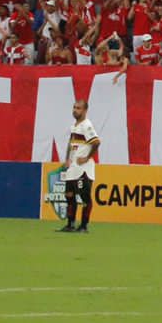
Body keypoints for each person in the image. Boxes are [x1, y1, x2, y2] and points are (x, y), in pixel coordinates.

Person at [58, 99, 100, 232]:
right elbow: (71, 144)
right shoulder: (75, 126)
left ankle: (84, 226)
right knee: (69, 195)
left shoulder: (86, 125)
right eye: (74, 107)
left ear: (85, 110)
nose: (75, 110)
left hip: (83, 169)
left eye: (78, 108)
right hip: (73, 167)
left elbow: (96, 142)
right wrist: (67, 159)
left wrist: (87, 157)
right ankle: (70, 224)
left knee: (84, 197)